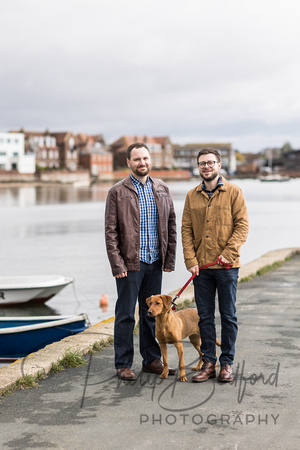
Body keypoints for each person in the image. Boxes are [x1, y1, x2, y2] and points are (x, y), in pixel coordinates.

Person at [105, 142, 177, 381]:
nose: (142, 163)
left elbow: (171, 226)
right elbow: (111, 232)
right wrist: (117, 264)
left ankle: (151, 360)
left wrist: (169, 259)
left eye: (145, 158)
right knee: (125, 314)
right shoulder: (117, 192)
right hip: (129, 265)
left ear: (150, 160)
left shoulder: (162, 188)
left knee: (152, 314)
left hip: (155, 262)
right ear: (128, 162)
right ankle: (123, 364)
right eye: (137, 159)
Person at [181, 148, 249, 383]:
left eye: (211, 163)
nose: (206, 167)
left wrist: (229, 253)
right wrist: (191, 261)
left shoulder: (234, 192)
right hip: (202, 269)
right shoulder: (191, 195)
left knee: (228, 315)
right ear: (198, 167)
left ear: (219, 165)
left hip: (228, 268)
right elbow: (186, 230)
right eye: (202, 163)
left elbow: (242, 226)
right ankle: (209, 362)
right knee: (205, 317)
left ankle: (226, 363)